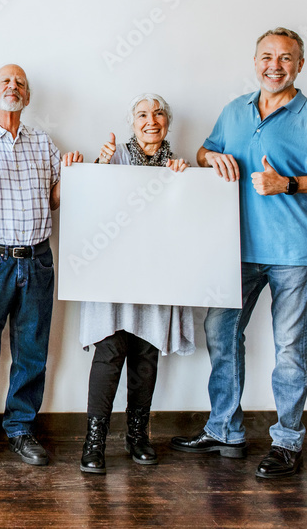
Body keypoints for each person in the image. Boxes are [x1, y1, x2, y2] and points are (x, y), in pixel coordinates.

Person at [171, 28, 307, 478]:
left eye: (286, 58)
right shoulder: (235, 110)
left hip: (294, 254)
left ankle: (288, 443)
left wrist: (289, 184)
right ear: (254, 61)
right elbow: (207, 149)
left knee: (290, 349)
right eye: (267, 56)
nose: (275, 65)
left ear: (299, 65)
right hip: (236, 251)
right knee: (221, 334)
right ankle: (224, 431)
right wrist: (207, 157)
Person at [0, 64, 82, 466]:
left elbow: (54, 200)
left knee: (32, 352)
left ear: (26, 97)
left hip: (38, 260)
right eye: (5, 82)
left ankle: (21, 429)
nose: (13, 87)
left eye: (19, 84)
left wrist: (72, 175)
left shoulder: (44, 144)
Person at [70, 93, 194, 475]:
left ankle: (138, 435)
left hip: (157, 275)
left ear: (167, 123)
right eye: (142, 114)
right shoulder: (114, 157)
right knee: (109, 353)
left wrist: (185, 185)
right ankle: (95, 440)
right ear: (132, 123)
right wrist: (97, 166)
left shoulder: (178, 166)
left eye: (158, 113)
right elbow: (89, 203)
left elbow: (186, 221)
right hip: (114, 278)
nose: (151, 120)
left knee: (146, 354)